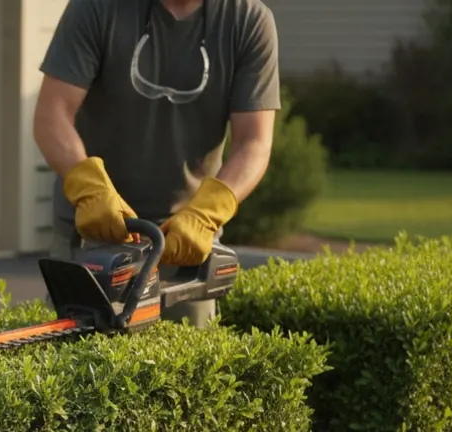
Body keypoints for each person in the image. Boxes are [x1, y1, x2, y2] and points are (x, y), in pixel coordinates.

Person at [34, 0, 280, 327]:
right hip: (95, 230)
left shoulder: (247, 20)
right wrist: (89, 190)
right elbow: (51, 116)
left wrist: (208, 214)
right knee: (76, 369)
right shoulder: (96, 8)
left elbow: (254, 142)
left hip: (188, 244)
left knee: (186, 371)